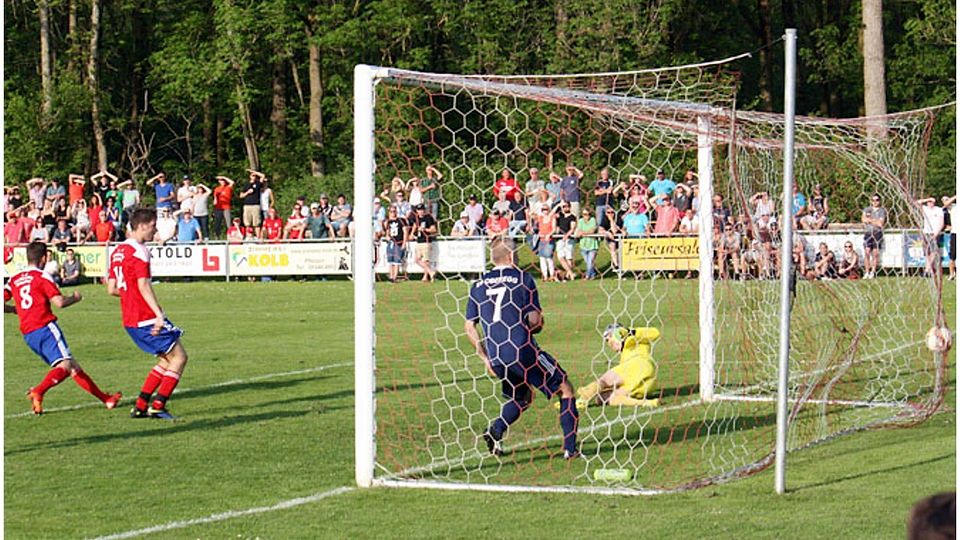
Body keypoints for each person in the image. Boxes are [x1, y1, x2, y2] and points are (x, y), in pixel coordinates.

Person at [464, 237, 579, 458]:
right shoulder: (522, 279)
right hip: (522, 349)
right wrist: (537, 326)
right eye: (516, 254)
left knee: (523, 396)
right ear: (509, 256)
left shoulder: (477, 285)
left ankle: (495, 430)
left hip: (497, 355)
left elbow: (469, 327)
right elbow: (534, 320)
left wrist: (485, 358)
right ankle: (570, 450)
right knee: (565, 388)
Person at [4, 241, 121, 415]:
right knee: (65, 366)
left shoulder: (14, 279)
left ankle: (106, 399)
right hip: (45, 327)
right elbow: (59, 302)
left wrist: (15, 309)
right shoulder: (42, 277)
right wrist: (75, 298)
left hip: (28, 333)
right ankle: (39, 391)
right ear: (44, 258)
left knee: (73, 366)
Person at [107, 208, 188, 420]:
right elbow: (143, 284)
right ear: (142, 226)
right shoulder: (139, 250)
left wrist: (131, 296)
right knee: (179, 357)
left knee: (165, 360)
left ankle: (141, 405)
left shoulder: (118, 251)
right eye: (153, 226)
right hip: (145, 316)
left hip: (130, 318)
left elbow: (112, 289)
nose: (155, 230)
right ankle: (159, 405)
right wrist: (158, 314)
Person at [572, 325, 661, 409]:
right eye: (607, 341)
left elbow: (656, 333)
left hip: (639, 366)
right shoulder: (624, 356)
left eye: (610, 338)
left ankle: (580, 400)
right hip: (648, 385)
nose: (609, 343)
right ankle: (647, 403)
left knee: (604, 380)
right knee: (602, 398)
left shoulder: (633, 339)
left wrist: (629, 331)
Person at [861, 193, 886, 279]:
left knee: (875, 253)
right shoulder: (867, 209)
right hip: (868, 233)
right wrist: (874, 220)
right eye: (873, 200)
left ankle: (873, 272)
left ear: (879, 201)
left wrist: (870, 220)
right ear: (871, 201)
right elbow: (863, 219)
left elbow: (880, 224)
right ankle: (866, 271)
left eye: (877, 200)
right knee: (867, 252)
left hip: (877, 233)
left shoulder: (882, 211)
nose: (875, 202)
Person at [409, 204, 437, 281]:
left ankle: (426, 276)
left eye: (422, 210)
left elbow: (434, 229)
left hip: (426, 241)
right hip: (419, 241)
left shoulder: (428, 217)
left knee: (425, 260)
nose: (421, 211)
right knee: (417, 260)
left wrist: (425, 229)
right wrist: (411, 234)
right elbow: (415, 226)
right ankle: (431, 272)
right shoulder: (416, 218)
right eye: (419, 210)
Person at [919, 196, 945, 276]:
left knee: (933, 251)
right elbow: (916, 202)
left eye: (932, 202)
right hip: (926, 232)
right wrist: (927, 199)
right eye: (929, 202)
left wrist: (936, 233)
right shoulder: (925, 209)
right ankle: (928, 270)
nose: (930, 203)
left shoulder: (939, 210)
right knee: (927, 252)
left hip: (934, 233)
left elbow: (941, 223)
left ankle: (927, 269)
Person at [384, 206, 409, 283]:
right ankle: (391, 276)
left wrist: (404, 243)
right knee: (390, 261)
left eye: (394, 211)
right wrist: (387, 236)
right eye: (391, 212)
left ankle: (394, 277)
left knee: (397, 261)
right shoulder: (388, 222)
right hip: (391, 243)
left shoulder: (401, 220)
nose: (392, 213)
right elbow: (387, 232)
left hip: (399, 242)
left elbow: (405, 232)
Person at [554, 202, 578, 280]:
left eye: (567, 206)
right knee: (560, 257)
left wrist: (567, 235)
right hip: (560, 239)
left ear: (570, 207)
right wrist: (558, 205)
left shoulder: (572, 217)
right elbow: (551, 214)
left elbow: (573, 228)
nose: (565, 208)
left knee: (569, 257)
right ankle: (571, 273)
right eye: (564, 206)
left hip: (569, 239)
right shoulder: (559, 215)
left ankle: (568, 276)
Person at [575, 206, 599, 279]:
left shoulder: (593, 220)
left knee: (589, 262)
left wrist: (584, 233)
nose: (586, 216)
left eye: (587, 214)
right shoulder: (580, 221)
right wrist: (583, 233)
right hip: (583, 245)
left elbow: (592, 230)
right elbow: (579, 230)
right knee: (588, 262)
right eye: (584, 214)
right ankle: (593, 274)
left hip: (592, 245)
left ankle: (587, 276)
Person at [239, 170, 264, 238]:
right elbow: (241, 196)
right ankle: (249, 238)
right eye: (252, 175)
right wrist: (247, 192)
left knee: (256, 223)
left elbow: (263, 176)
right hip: (247, 205)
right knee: (247, 223)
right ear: (250, 176)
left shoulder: (258, 183)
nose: (254, 177)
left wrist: (254, 171)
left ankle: (258, 238)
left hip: (255, 205)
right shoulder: (246, 184)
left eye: (255, 176)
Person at [599, 207, 623, 272]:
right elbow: (600, 230)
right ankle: (616, 265)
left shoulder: (617, 218)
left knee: (620, 252)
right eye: (608, 212)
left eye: (612, 212)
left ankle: (619, 265)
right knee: (612, 246)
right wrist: (607, 233)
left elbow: (614, 230)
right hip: (611, 239)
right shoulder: (604, 219)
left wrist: (611, 220)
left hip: (620, 237)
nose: (610, 214)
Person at [943, 195, 957, 280]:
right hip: (955, 233)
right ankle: (952, 274)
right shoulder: (953, 207)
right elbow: (945, 204)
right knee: (953, 255)